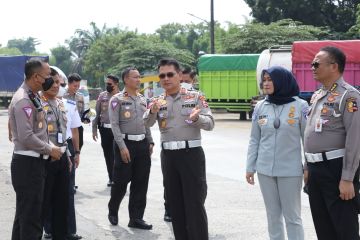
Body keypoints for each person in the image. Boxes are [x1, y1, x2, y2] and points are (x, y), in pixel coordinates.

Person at [144, 58, 214, 240]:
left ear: (179, 75)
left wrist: (197, 119)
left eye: (170, 74)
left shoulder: (196, 96)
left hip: (191, 154)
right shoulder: (156, 100)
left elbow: (210, 123)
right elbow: (146, 123)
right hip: (169, 156)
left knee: (194, 204)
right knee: (175, 203)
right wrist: (152, 111)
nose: (166, 78)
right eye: (162, 75)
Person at [304, 46, 360, 240]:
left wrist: (347, 178)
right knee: (323, 227)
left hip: (335, 168)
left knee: (344, 228)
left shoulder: (349, 95)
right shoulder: (319, 95)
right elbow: (310, 133)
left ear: (334, 66)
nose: (312, 67)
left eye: (316, 64)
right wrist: (307, 166)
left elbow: (355, 138)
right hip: (315, 168)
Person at [246, 66, 307, 240]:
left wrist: (307, 166)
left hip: (290, 171)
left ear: (282, 81)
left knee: (293, 217)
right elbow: (254, 139)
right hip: (265, 170)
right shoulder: (260, 106)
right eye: (264, 80)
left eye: (270, 79)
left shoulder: (301, 106)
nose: (266, 83)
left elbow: (307, 140)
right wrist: (250, 167)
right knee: (273, 217)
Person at [8, 57, 63, 240]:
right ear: (36, 77)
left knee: (25, 216)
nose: (50, 79)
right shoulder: (24, 100)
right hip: (28, 164)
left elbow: (38, 131)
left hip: (34, 163)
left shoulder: (33, 96)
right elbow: (26, 137)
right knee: (32, 219)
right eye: (47, 75)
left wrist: (50, 146)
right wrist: (50, 149)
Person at [107, 67, 154, 230]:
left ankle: (136, 218)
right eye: (135, 77)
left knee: (141, 182)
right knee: (121, 181)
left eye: (139, 77)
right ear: (126, 79)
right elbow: (114, 124)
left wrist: (150, 141)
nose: (138, 80)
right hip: (125, 145)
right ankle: (113, 208)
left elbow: (146, 122)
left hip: (142, 145)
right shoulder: (117, 99)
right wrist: (121, 146)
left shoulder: (142, 99)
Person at [41, 67, 71, 240]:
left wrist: (66, 156)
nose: (56, 86)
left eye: (59, 83)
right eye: (52, 81)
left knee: (62, 202)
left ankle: (61, 235)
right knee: (43, 203)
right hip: (45, 158)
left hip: (61, 156)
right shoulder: (37, 102)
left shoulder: (60, 103)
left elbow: (63, 133)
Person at [92, 74, 120, 187]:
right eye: (106, 84)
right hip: (104, 129)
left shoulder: (122, 96)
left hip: (117, 130)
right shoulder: (102, 96)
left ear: (116, 84)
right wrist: (94, 129)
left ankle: (118, 178)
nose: (107, 86)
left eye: (110, 84)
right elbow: (96, 113)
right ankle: (111, 178)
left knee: (117, 154)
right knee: (108, 155)